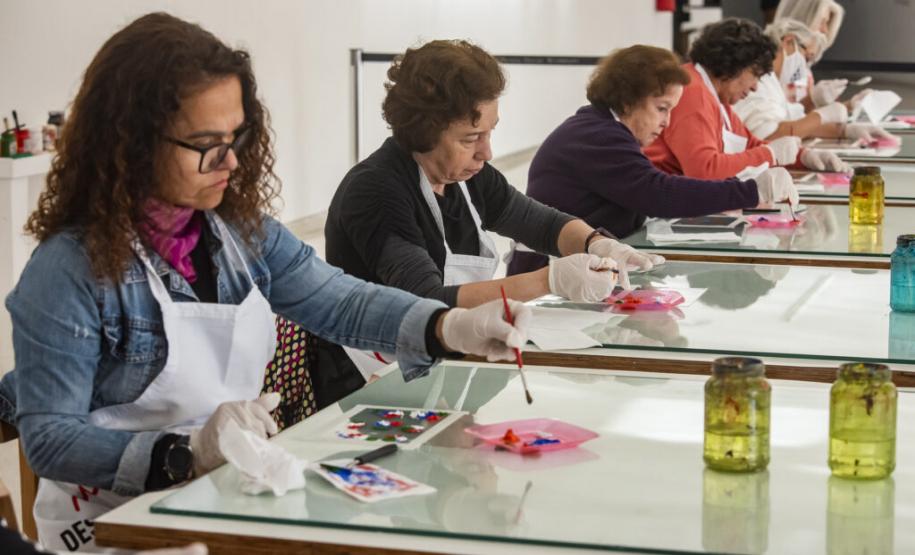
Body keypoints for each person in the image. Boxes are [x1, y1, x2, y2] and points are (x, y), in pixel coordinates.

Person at [0, 14, 529, 552]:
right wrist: (183, 452)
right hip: (114, 527)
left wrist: (446, 326)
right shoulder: (69, 271)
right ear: (132, 144)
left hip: (225, 497)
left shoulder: (240, 235)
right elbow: (51, 439)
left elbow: (340, 302)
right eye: (207, 143)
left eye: (237, 137)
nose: (230, 160)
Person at [324, 40, 663, 376]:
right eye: (470, 138)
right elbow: (427, 301)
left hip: (445, 355)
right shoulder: (376, 191)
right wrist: (550, 280)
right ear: (423, 132)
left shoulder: (468, 177)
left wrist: (596, 243)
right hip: (372, 371)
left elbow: (540, 224)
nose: (486, 152)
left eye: (489, 133)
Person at [506, 45, 797, 274]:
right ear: (628, 99)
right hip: (549, 279)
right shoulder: (598, 137)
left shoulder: (603, 128)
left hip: (579, 266)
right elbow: (659, 194)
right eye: (661, 108)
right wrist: (750, 190)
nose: (667, 121)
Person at [644, 18, 850, 180]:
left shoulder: (717, 97)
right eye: (755, 75)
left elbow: (750, 144)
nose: (755, 87)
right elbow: (704, 170)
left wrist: (802, 156)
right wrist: (770, 155)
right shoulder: (693, 91)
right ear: (735, 65)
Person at [733, 19, 899, 144]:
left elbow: (796, 124)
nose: (804, 67)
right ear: (788, 41)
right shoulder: (759, 81)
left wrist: (845, 130)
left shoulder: (773, 82)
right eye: (806, 57)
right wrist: (819, 116)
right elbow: (769, 135)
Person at [773, 0, 860, 110]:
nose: (825, 30)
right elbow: (783, 117)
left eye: (827, 23)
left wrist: (850, 105)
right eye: (821, 21)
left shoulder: (804, 69)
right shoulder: (771, 67)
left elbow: (808, 114)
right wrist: (812, 100)